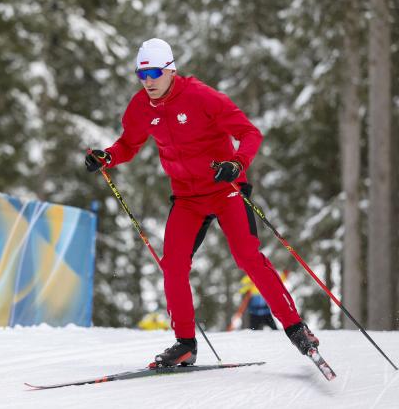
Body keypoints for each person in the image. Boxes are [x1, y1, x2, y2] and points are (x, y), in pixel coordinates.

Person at [84, 38, 319, 367]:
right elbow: (128, 144)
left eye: (153, 73)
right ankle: (185, 344)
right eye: (141, 74)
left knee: (248, 258)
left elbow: (250, 133)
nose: (148, 81)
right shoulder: (140, 106)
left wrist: (236, 164)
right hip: (187, 198)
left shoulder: (200, 96)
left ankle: (297, 329)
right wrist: (107, 156)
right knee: (173, 265)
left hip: (226, 190)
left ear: (170, 70)